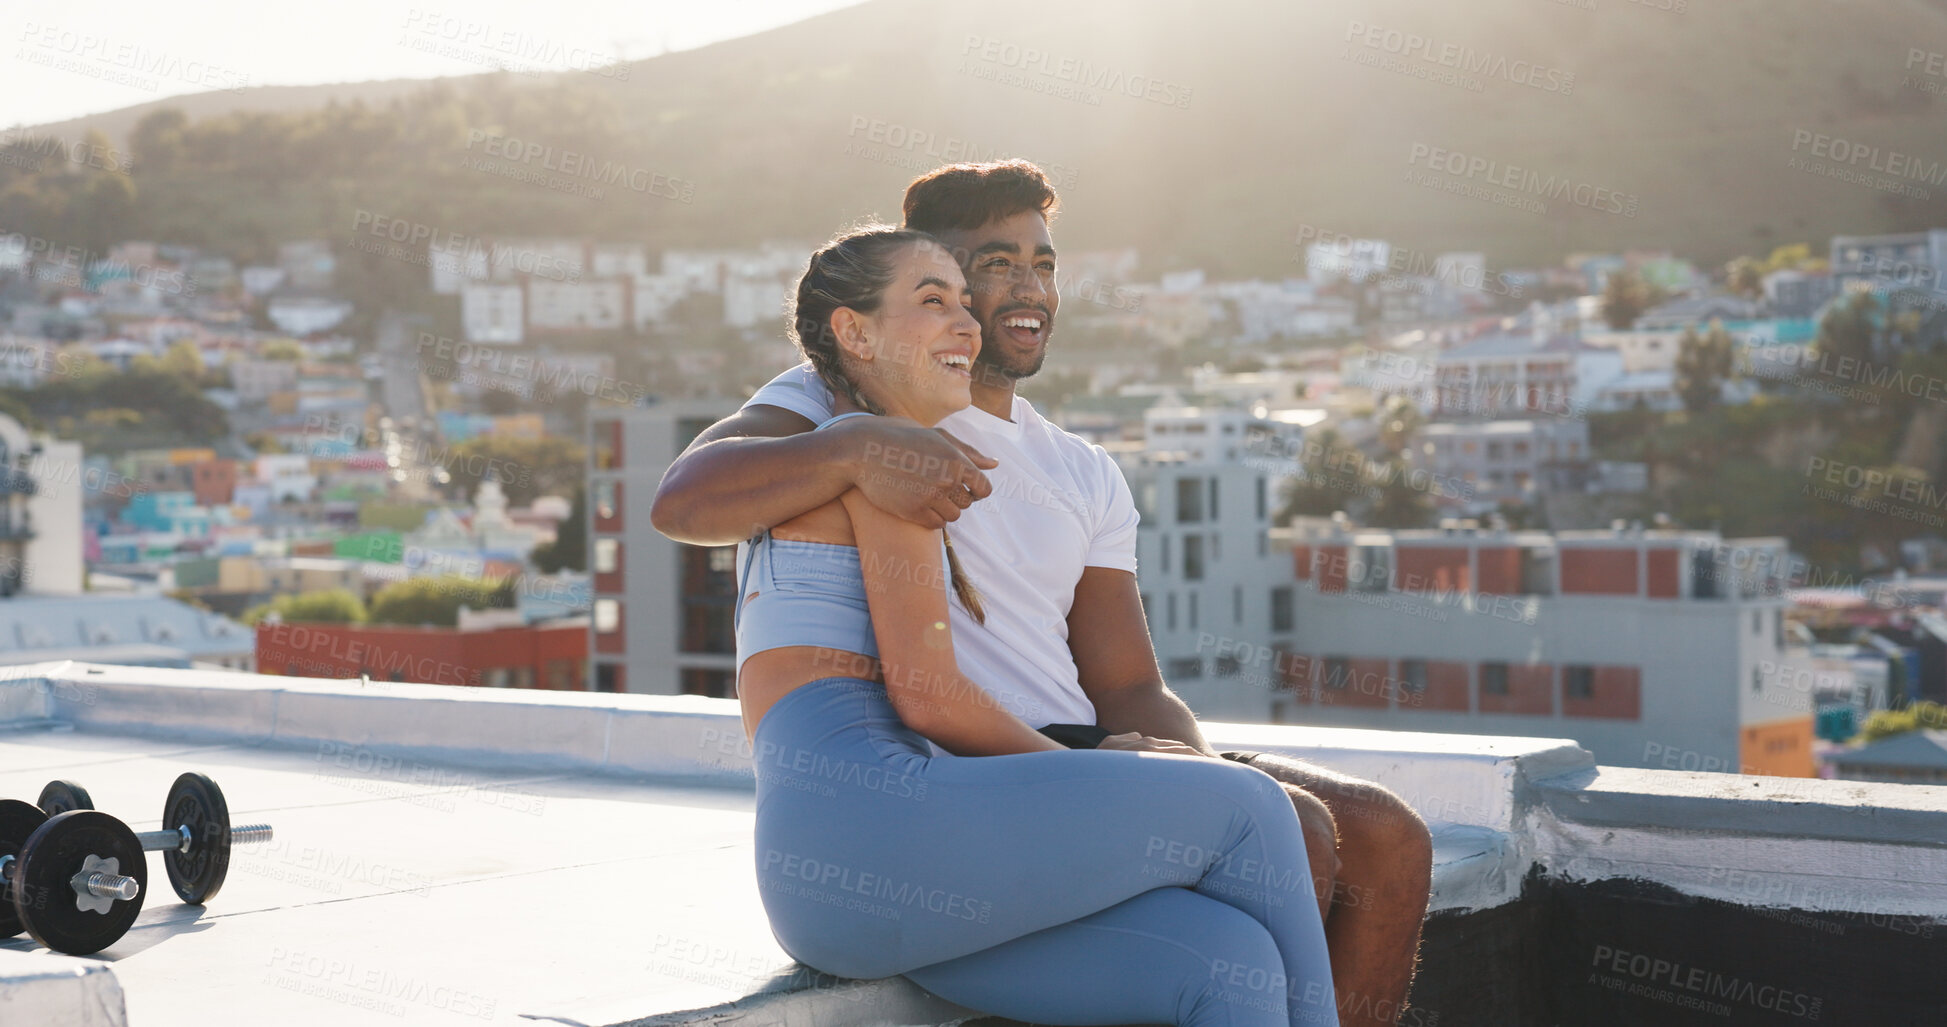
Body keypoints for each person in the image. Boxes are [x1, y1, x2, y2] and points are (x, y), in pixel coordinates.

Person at [652, 161, 1431, 1027]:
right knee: (1265, 819)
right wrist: (858, 447)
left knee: (1261, 936)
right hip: (943, 784)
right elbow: (686, 500)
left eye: (1043, 265)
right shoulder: (847, 417)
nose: (1017, 291)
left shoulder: (1071, 466)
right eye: (977, 272)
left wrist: (1154, 762)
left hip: (1013, 777)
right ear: (870, 321)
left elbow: (1129, 682)